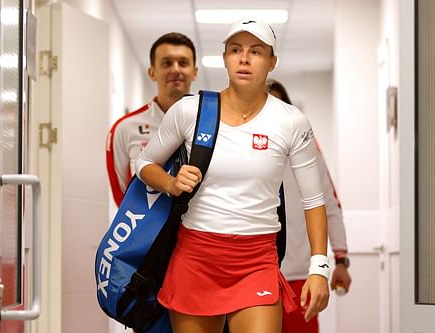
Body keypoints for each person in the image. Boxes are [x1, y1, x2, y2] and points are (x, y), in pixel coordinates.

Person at [135, 18, 330, 333]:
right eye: (235, 50)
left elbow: (314, 199)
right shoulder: (191, 111)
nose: (244, 58)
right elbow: (144, 164)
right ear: (224, 57)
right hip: (196, 255)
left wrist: (320, 267)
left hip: (257, 260)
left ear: (271, 62)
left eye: (256, 51)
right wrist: (171, 183)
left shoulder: (291, 121)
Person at [267, 79, 352, 333]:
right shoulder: (239, 149)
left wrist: (341, 260)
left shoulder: (308, 150)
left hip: (298, 276)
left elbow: (330, 204)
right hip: (252, 275)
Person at [106, 32, 198, 206]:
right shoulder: (125, 128)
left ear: (194, 72)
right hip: (147, 228)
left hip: (195, 229)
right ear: (152, 72)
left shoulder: (210, 124)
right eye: (167, 63)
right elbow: (121, 194)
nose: (176, 69)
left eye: (183, 63)